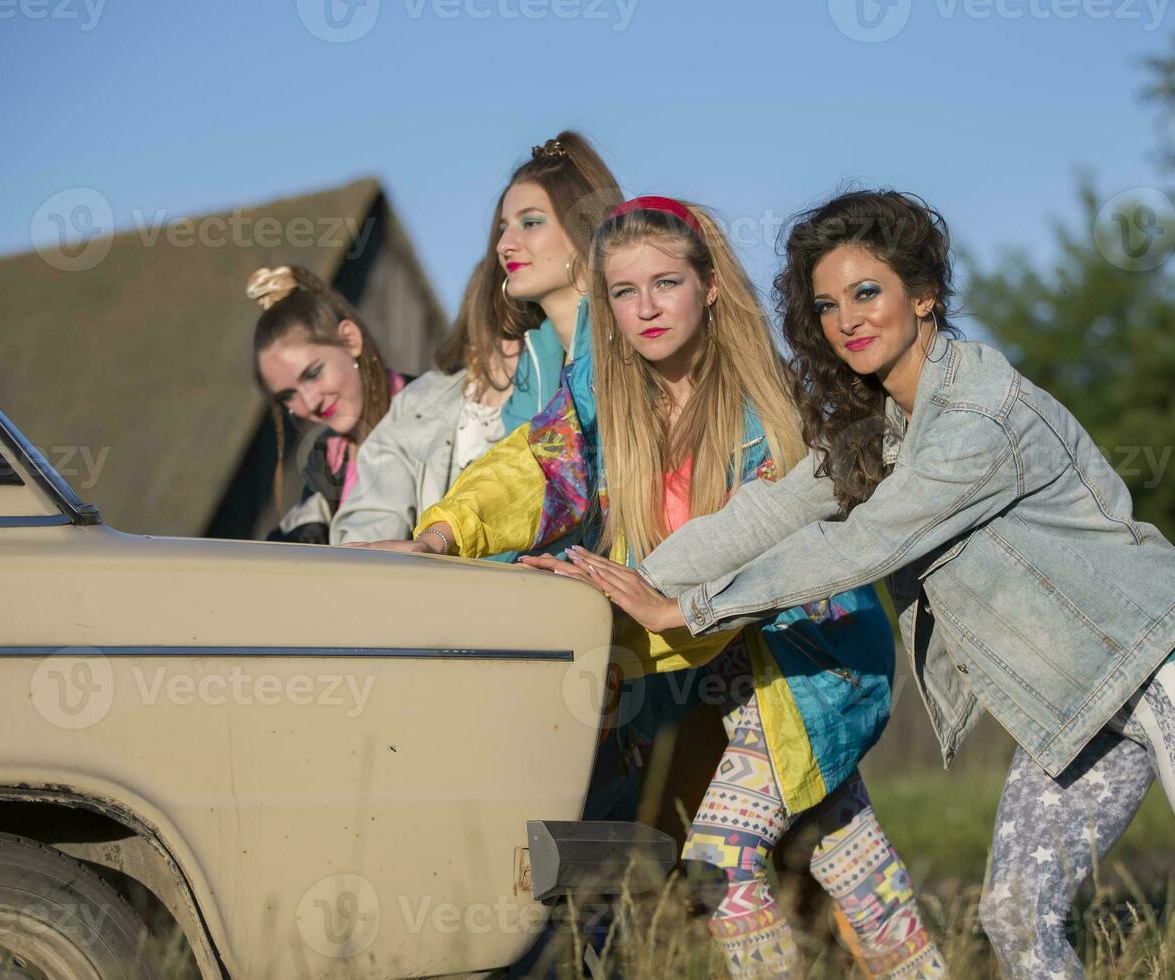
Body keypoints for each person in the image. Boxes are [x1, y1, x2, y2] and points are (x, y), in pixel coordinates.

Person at [570, 189, 1175, 979]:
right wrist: (620, 583)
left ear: (924, 294)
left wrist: (689, 609)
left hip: (1169, 662)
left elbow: (866, 543)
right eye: (828, 305)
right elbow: (768, 511)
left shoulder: (977, 416)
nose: (848, 321)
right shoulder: (880, 423)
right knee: (1014, 918)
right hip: (1076, 699)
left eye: (868, 293)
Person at [396, 196, 946, 978]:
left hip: (806, 657)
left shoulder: (770, 410)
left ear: (710, 286)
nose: (645, 308)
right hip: (702, 658)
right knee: (848, 850)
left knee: (721, 860)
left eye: (665, 284)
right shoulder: (608, 404)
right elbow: (539, 466)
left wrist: (628, 618)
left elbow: (744, 561)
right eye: (624, 292)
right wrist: (449, 529)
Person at [333, 131, 624, 549]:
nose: (505, 244)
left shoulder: (622, 340)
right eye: (503, 228)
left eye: (531, 222)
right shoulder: (538, 358)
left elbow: (547, 466)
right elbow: (510, 475)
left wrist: (442, 540)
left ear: (584, 228)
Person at [249, 264, 410, 543]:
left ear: (350, 340)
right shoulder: (325, 460)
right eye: (288, 396)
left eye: (313, 373)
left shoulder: (439, 413)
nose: (309, 403)